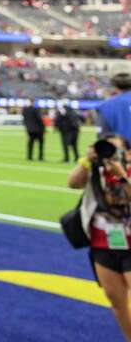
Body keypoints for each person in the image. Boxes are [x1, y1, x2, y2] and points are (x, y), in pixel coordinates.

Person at [67, 134, 131, 340]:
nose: (110, 153)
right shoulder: (95, 170)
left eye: (115, 149)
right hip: (102, 243)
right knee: (116, 301)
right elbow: (72, 183)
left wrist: (121, 174)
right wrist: (87, 160)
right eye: (106, 148)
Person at [99, 73, 131, 140]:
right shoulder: (107, 104)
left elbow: (103, 134)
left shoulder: (106, 105)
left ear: (115, 86)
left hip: (121, 148)